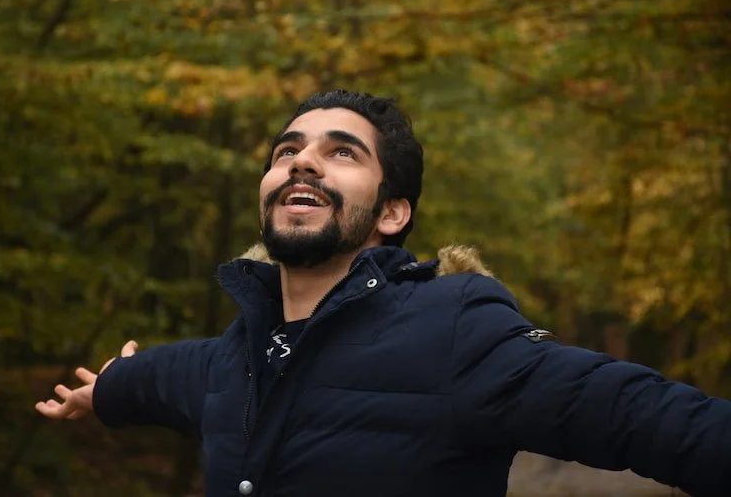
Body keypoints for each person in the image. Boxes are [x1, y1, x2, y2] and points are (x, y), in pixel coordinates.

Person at [36, 90, 731, 497]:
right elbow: (162, 379)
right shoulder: (236, 354)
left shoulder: (454, 329)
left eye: (342, 151)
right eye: (286, 150)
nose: (300, 159)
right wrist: (107, 389)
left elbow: (642, 414)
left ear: (393, 212)